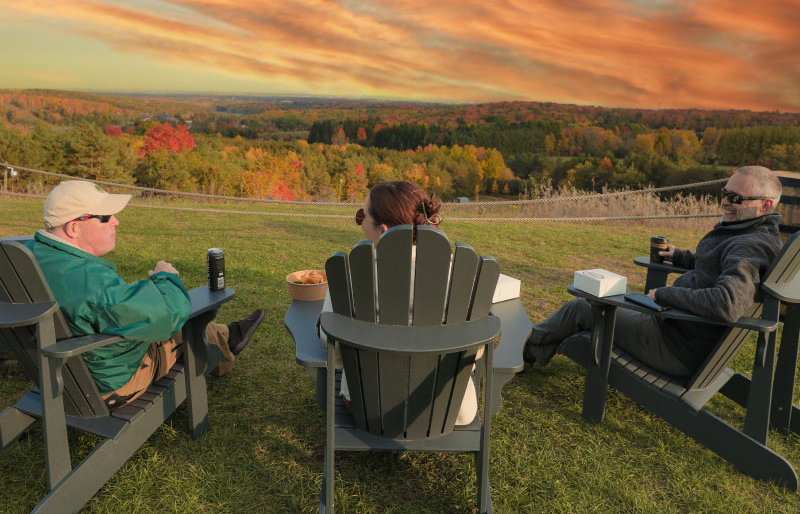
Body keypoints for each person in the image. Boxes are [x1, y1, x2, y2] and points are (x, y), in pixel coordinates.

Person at [523, 166, 783, 377]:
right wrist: (680, 257)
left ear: (765, 205)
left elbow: (728, 303)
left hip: (675, 345)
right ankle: (534, 350)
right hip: (675, 327)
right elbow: (715, 266)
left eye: (736, 198)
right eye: (725, 192)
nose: (725, 201)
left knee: (583, 307)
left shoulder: (749, 245)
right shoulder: (750, 234)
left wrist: (664, 294)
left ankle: (519, 354)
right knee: (604, 301)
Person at [26, 180, 265, 409]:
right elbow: (168, 315)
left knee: (170, 318)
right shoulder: (93, 283)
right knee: (187, 324)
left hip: (55, 369)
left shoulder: (26, 255)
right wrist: (166, 277)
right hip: (105, 385)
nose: (116, 222)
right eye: (106, 217)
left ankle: (227, 336)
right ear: (74, 227)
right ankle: (227, 347)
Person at [323, 180, 479, 424]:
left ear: (384, 230)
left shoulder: (352, 276)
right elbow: (476, 349)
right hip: (448, 407)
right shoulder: (461, 275)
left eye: (362, 216)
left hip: (368, 405)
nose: (360, 223)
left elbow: (330, 344)